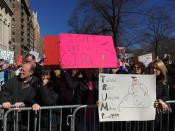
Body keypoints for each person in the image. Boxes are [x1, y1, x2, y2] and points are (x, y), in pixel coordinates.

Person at [0, 63, 40, 131]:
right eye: (21, 69)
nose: (21, 72)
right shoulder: (13, 80)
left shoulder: (37, 83)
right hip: (11, 119)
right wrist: (5, 101)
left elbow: (37, 98)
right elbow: (4, 92)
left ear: (31, 72)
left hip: (26, 120)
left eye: (23, 71)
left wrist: (30, 104)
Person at [147, 60, 170, 131]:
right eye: (152, 68)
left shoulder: (164, 82)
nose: (154, 70)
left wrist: (160, 100)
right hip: (144, 111)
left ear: (161, 69)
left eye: (157, 68)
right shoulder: (144, 80)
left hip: (157, 113)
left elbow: (166, 95)